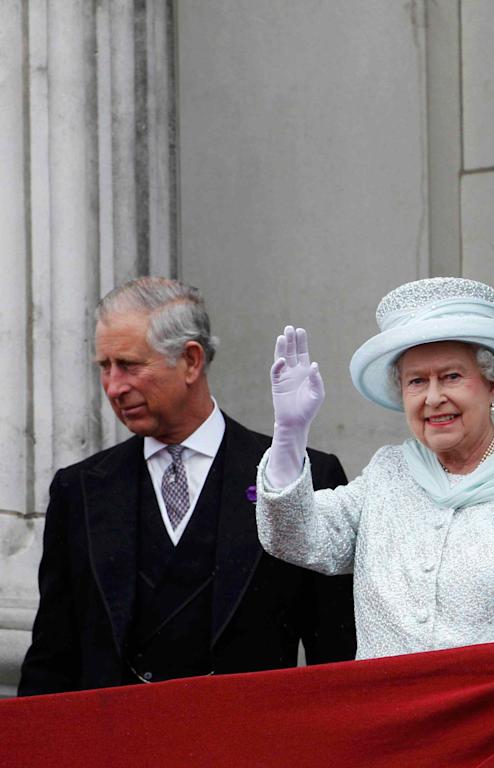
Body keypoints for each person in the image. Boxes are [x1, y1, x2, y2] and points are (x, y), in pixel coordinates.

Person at [19, 277, 355, 696]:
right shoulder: (79, 491)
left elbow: (340, 656)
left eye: (129, 364)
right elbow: (52, 658)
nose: (114, 387)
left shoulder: (305, 478)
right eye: (104, 367)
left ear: (191, 361)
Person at [256, 277, 494, 659]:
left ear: (492, 385)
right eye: (417, 381)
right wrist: (289, 433)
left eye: (452, 376)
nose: (434, 398)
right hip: (389, 713)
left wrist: (453, 683)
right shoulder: (388, 474)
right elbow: (298, 538)